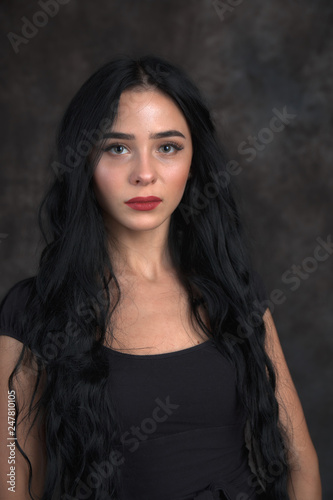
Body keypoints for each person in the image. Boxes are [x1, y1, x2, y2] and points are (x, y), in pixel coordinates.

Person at [0, 55, 321, 500]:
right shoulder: (33, 311)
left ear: (194, 162)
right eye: (117, 147)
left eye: (167, 147)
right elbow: (14, 484)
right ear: (83, 162)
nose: (145, 174)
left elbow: (300, 461)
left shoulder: (232, 288)